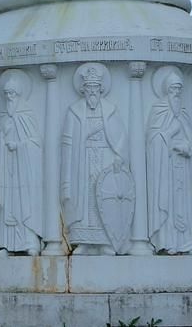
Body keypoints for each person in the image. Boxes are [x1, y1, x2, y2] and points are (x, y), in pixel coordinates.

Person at [60, 63, 130, 254]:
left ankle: (106, 241)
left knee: (104, 199)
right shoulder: (74, 111)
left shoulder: (110, 110)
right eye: (89, 88)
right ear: (83, 89)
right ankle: (83, 241)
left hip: (105, 159)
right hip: (82, 161)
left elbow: (121, 137)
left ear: (101, 89)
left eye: (95, 88)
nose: (92, 92)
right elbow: (68, 143)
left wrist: (118, 156)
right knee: (85, 199)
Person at [146, 66, 192, 254]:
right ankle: (168, 242)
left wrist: (185, 145)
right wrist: (169, 135)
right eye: (173, 89)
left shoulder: (183, 111)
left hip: (182, 165)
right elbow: (153, 138)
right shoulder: (159, 109)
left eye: (179, 89)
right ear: (166, 90)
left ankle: (187, 242)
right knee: (167, 201)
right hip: (165, 167)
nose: (176, 93)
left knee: (184, 202)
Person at [0, 69, 43, 255]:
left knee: (24, 204)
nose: (9, 97)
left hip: (24, 168)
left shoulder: (26, 115)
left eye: (12, 94)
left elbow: (35, 142)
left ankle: (30, 243)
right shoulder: (3, 116)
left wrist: (20, 146)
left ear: (19, 94)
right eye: (6, 94)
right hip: (6, 167)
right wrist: (2, 142)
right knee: (7, 205)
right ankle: (7, 245)